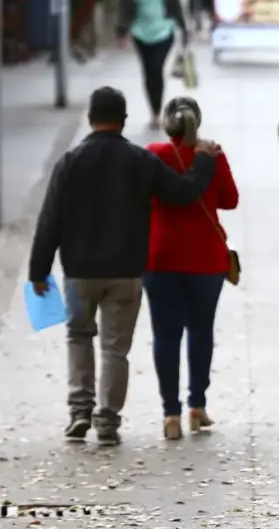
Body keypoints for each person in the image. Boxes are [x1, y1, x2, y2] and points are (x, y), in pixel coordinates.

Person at [28, 87, 221, 446]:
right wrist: (204, 160)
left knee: (78, 337)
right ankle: (108, 422)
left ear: (90, 119)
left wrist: (38, 272)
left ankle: (79, 411)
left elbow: (49, 220)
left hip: (79, 273)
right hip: (126, 272)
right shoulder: (139, 160)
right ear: (124, 121)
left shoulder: (69, 161)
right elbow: (181, 192)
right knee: (115, 348)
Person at [143, 97, 239, 441]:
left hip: (161, 257)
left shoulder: (153, 153)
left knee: (166, 335)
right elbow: (230, 199)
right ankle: (197, 406)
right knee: (201, 330)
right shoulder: (213, 154)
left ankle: (170, 414)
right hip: (205, 260)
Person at [116, 0, 189, 130]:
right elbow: (124, 6)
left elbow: (176, 5)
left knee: (157, 69)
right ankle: (153, 112)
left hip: (164, 30)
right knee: (148, 71)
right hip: (140, 32)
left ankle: (158, 111)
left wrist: (184, 29)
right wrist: (122, 31)